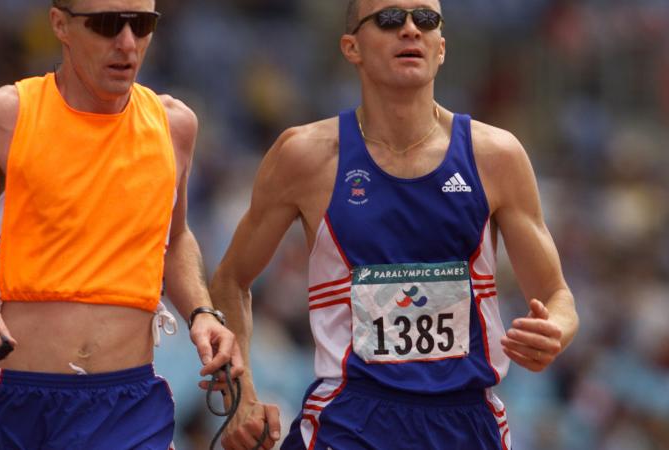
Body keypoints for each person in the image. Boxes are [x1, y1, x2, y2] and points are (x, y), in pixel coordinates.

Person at [0, 0, 242, 448]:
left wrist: (201, 312)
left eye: (141, 24)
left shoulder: (174, 125)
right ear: (60, 25)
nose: (127, 43)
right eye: (106, 25)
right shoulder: (4, 115)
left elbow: (176, 237)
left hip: (129, 408)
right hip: (14, 405)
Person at [209, 0, 579, 449]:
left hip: (465, 423)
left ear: (441, 47)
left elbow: (557, 296)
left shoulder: (496, 156)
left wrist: (553, 330)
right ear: (351, 47)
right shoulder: (304, 157)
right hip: (349, 420)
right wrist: (241, 396)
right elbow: (230, 280)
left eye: (425, 19)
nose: (409, 29)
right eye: (389, 19)